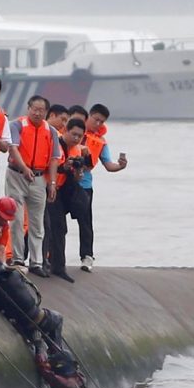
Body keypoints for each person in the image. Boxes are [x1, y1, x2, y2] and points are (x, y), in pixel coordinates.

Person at [5, 95, 61, 278]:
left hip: (38, 178)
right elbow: (13, 148)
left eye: (41, 110)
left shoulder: (51, 131)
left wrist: (52, 183)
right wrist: (24, 167)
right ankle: (18, 258)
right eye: (34, 109)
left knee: (37, 223)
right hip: (16, 175)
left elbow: (54, 159)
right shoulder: (17, 125)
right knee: (17, 219)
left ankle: (36, 261)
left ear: (46, 112)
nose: (37, 113)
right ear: (28, 108)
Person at [76, 103, 128, 273]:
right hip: (65, 182)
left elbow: (108, 165)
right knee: (56, 222)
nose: (97, 124)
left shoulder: (101, 141)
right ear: (88, 116)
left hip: (85, 185)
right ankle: (49, 256)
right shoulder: (74, 131)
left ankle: (87, 256)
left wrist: (120, 166)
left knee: (86, 222)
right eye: (95, 119)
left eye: (101, 121)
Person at [43, 117, 89, 283]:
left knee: (60, 228)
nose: (76, 138)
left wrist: (77, 172)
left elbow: (75, 178)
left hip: (63, 191)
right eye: (74, 134)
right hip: (48, 188)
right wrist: (65, 167)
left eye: (79, 136)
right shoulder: (55, 144)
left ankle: (57, 265)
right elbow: (49, 166)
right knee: (48, 228)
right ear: (66, 131)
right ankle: (47, 263)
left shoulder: (77, 150)